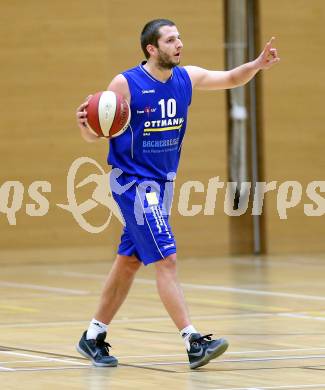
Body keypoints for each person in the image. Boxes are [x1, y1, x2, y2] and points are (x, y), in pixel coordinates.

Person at [75, 18, 280, 369]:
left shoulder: (185, 78)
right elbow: (97, 131)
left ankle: (93, 336)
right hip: (133, 184)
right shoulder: (126, 83)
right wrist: (87, 128)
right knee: (166, 259)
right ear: (152, 49)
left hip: (162, 186)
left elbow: (230, 78)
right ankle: (192, 341)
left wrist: (257, 65)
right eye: (170, 40)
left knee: (129, 261)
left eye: (179, 38)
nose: (178, 44)